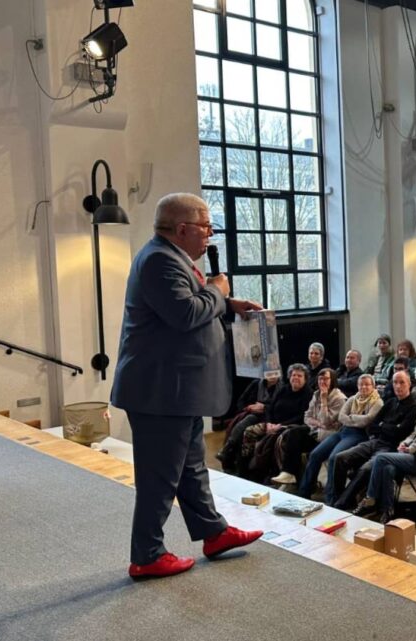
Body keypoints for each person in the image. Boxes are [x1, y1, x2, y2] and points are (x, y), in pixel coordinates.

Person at [111, 193, 263, 579]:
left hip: (177, 391)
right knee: (160, 477)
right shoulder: (160, 261)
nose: (210, 233)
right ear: (182, 229)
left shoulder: (173, 257)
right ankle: (146, 555)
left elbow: (193, 302)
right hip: (161, 391)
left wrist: (230, 305)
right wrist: (219, 292)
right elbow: (185, 313)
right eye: (205, 226)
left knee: (191, 468)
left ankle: (213, 532)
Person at [355, 379, 416, 522]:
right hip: (415, 453)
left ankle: (370, 498)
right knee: (388, 468)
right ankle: (388, 509)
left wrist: (413, 448)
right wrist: (405, 443)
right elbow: (415, 433)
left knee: (381, 458)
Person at [330, 371, 416, 510]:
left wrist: (383, 425)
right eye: (395, 382)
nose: (398, 386)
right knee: (340, 458)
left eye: (402, 382)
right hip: (376, 441)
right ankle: (339, 498)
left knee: (366, 469)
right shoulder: (390, 402)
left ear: (409, 384)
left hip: (391, 448)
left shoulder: (414, 407)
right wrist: (388, 427)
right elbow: (373, 425)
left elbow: (400, 433)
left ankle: (341, 503)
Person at [300, 374, 383, 504]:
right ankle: (304, 492)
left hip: (359, 435)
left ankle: (332, 498)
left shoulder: (377, 402)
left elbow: (367, 420)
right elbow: (341, 417)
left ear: (373, 386)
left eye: (367, 384)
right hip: (342, 432)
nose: (363, 387)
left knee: (334, 457)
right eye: (361, 384)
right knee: (315, 454)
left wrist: (351, 417)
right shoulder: (352, 398)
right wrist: (355, 418)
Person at [270, 368, 346, 487]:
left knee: (297, 440)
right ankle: (288, 474)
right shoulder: (316, 394)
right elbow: (307, 417)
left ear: (333, 380)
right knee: (292, 434)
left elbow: (325, 421)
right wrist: (318, 423)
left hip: (328, 436)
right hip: (315, 431)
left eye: (326, 379)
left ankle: (298, 481)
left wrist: (324, 400)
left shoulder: (340, 398)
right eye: (320, 379)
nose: (322, 382)